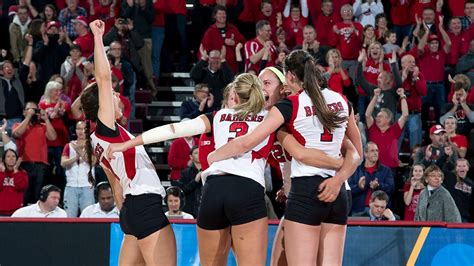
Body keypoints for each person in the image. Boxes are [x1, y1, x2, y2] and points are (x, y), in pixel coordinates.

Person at [207, 50, 359, 265]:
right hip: (332, 191)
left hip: (308, 191)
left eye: (266, 83)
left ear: (285, 83)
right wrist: (336, 176)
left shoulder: (286, 112)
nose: (260, 88)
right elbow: (354, 151)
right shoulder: (337, 100)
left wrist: (213, 157)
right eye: (258, 83)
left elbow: (299, 153)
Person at [79, 20, 176, 265]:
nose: (116, 95)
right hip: (144, 203)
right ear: (101, 105)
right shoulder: (106, 129)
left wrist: (130, 215)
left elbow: (116, 188)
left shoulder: (98, 141)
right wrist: (98, 37)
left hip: (132, 210)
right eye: (112, 94)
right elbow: (102, 77)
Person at [13, 102, 57, 204]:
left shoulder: (43, 126)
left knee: (39, 196)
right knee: (25, 196)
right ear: (24, 112)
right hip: (24, 164)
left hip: (41, 165)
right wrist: (28, 117)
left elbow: (53, 137)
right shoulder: (18, 125)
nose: (33, 112)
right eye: (29, 110)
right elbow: (17, 134)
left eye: (35, 110)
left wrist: (46, 119)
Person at [60, 121, 95, 217]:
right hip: (71, 186)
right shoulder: (69, 146)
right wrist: (76, 157)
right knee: (69, 216)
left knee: (88, 216)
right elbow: (63, 163)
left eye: (84, 129)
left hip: (87, 186)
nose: (81, 131)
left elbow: (93, 161)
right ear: (75, 130)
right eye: (79, 128)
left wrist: (78, 150)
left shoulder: (92, 145)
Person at [348, 142, 394, 214]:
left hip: (380, 211)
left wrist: (378, 185)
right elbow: (348, 190)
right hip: (359, 209)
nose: (375, 153)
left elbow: (391, 188)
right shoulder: (356, 171)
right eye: (372, 151)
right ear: (365, 154)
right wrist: (359, 187)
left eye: (377, 151)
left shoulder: (386, 171)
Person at [0, 149, 28, 216]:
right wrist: (2, 172)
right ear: (4, 159)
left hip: (16, 211)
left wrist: (15, 171)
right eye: (8, 156)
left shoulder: (22, 173)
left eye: (13, 156)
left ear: (17, 159)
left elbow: (21, 187)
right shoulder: (1, 173)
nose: (11, 158)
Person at [444, 158, 472, 222]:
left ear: (468, 168)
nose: (461, 168)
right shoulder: (450, 177)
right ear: (456, 168)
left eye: (464, 166)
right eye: (459, 166)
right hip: (451, 215)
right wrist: (445, 156)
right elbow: (437, 167)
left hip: (465, 217)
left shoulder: (471, 183)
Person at [178, 146, 203, 218]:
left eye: (200, 152)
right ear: (191, 157)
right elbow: (182, 190)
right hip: (190, 210)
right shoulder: (185, 173)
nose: (199, 154)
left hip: (205, 208)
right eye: (196, 153)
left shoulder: (209, 171)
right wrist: (195, 181)